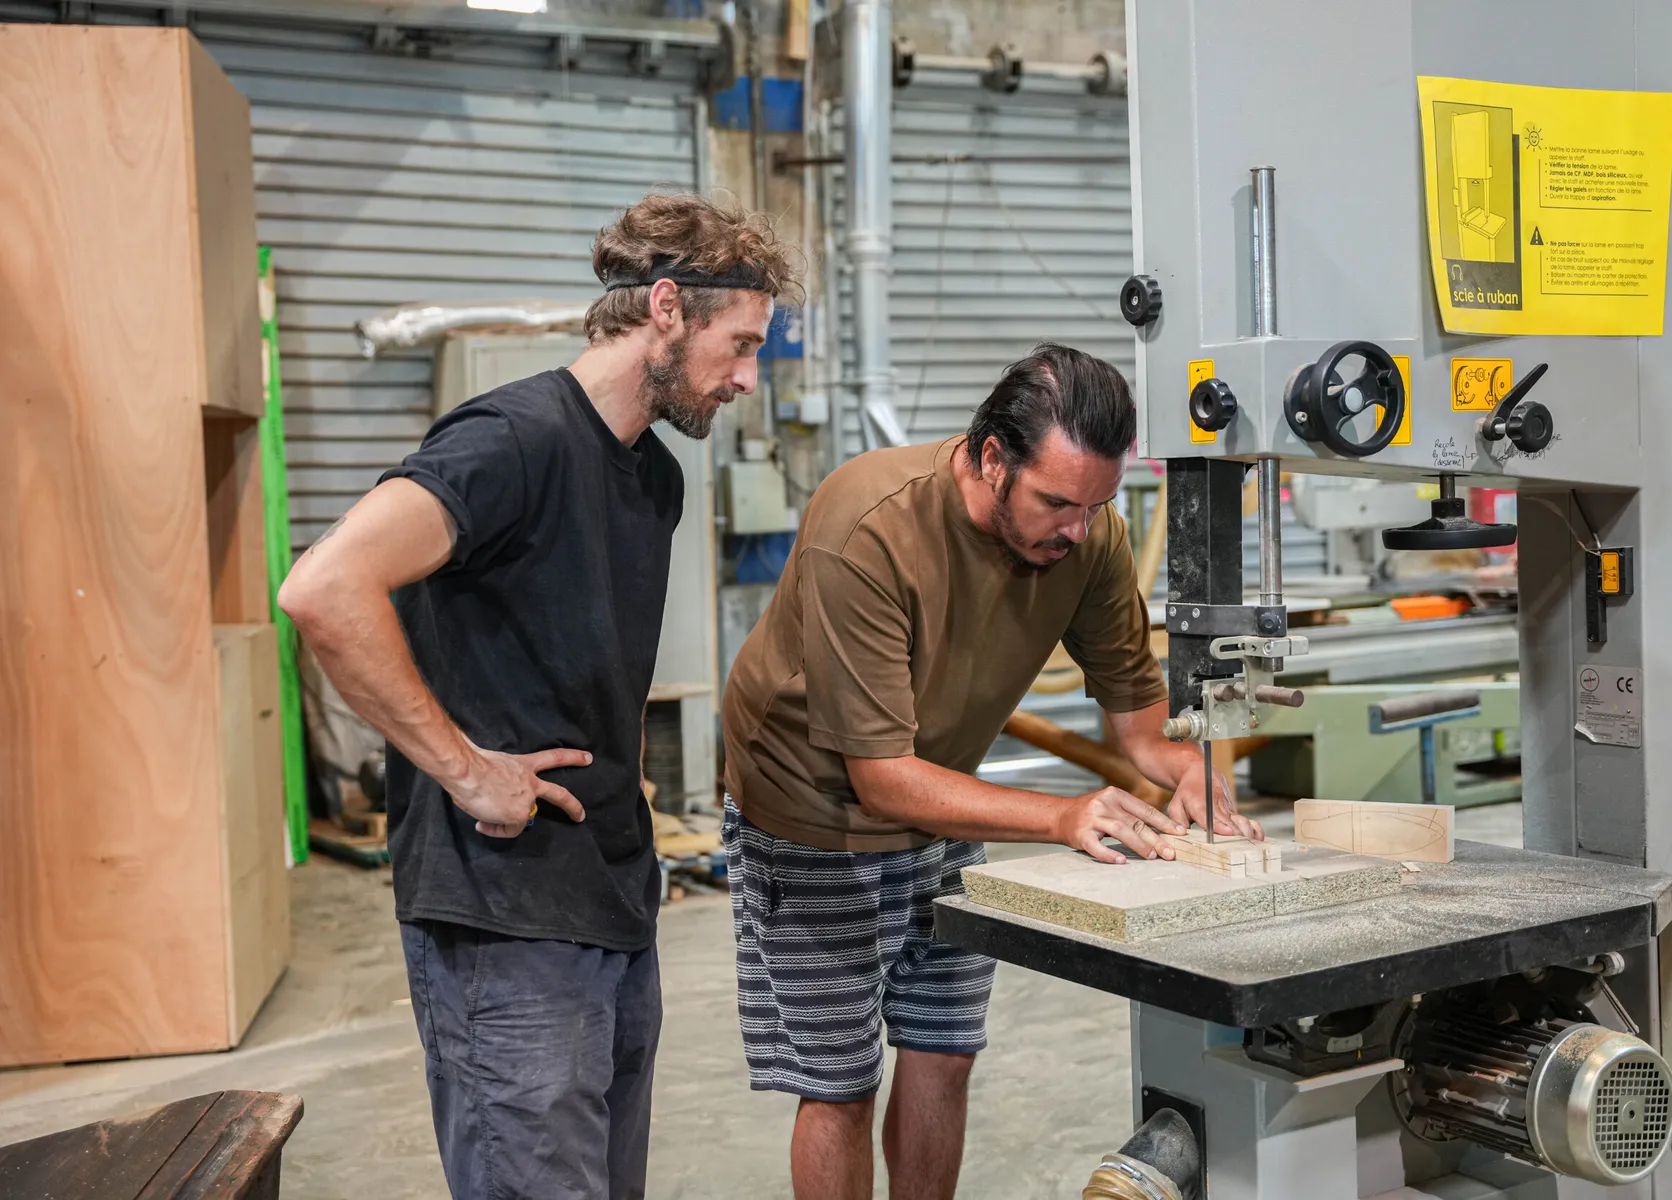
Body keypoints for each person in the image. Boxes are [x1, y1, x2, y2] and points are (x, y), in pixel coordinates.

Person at [278, 192, 799, 1200]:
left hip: (612, 901)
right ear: (665, 308)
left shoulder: (654, 478)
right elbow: (324, 588)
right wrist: (467, 771)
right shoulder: (511, 439)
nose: (747, 378)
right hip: (503, 918)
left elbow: (598, 656)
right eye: (739, 345)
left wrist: (632, 788)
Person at [721, 343, 1261, 1200]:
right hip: (813, 814)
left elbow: (1139, 721)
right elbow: (881, 779)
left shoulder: (1090, 536)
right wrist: (1060, 816)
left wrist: (1185, 767)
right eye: (1057, 502)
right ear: (990, 459)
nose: (1078, 528)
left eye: (1098, 504)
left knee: (943, 1051)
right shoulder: (868, 529)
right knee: (840, 1082)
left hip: (945, 797)